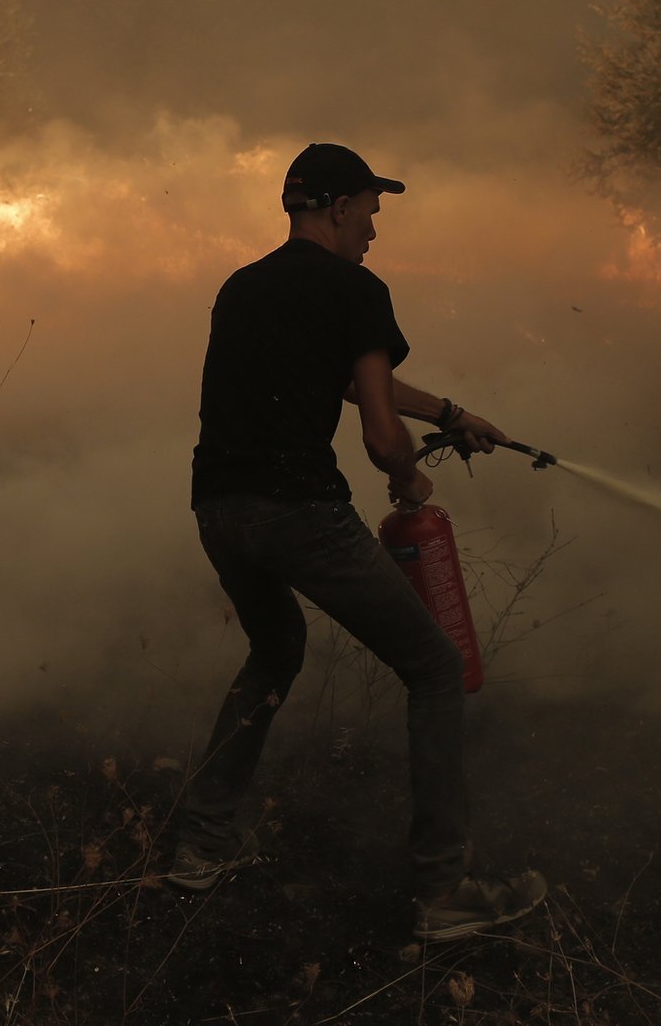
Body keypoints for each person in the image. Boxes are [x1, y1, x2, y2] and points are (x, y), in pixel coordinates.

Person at [170, 142, 547, 942]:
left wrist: (449, 413)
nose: (374, 229)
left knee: (274, 653)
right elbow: (378, 435)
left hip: (219, 509)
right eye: (371, 211)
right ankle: (445, 892)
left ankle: (201, 846)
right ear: (338, 206)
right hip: (300, 513)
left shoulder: (242, 286)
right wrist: (409, 480)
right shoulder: (355, 288)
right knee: (436, 668)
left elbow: (342, 378)